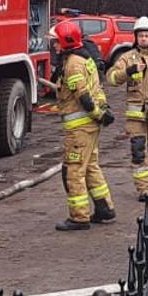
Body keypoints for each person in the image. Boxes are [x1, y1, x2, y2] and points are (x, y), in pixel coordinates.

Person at [51, 21, 117, 231]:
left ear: (65, 42)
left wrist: (98, 114)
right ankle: (104, 208)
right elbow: (97, 88)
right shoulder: (85, 59)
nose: (54, 46)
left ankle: (79, 217)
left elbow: (84, 96)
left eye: (56, 42)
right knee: (90, 166)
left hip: (79, 129)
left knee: (74, 170)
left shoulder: (72, 64)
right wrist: (103, 110)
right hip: (90, 127)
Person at [106, 17, 148, 201]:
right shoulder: (128, 58)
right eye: (140, 36)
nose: (143, 39)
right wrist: (128, 71)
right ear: (136, 37)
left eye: (147, 35)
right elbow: (111, 79)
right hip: (136, 117)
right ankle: (144, 189)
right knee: (138, 152)